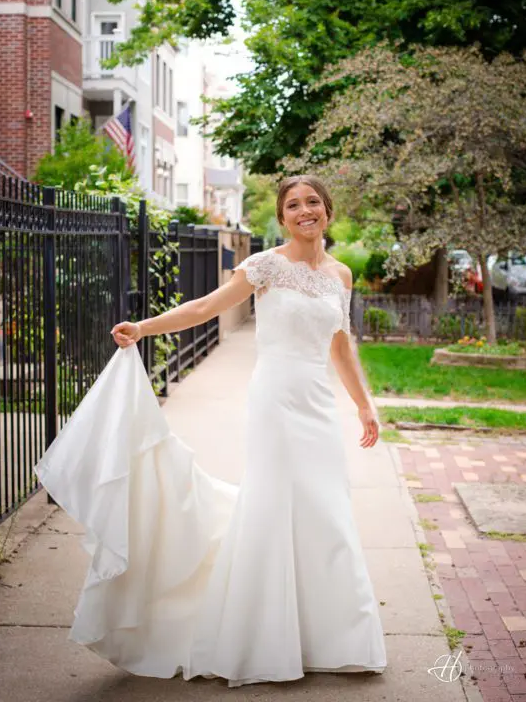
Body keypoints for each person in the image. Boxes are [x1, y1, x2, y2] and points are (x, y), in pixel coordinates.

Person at [35, 174, 387, 688]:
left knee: (325, 507)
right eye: (293, 204)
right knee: (273, 504)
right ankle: (260, 638)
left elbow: (340, 346)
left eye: (313, 202)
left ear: (327, 211)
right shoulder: (265, 266)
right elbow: (204, 308)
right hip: (274, 401)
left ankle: (331, 638)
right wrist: (144, 327)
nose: (304, 210)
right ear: (283, 216)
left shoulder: (341, 276)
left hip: (316, 404)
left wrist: (364, 406)